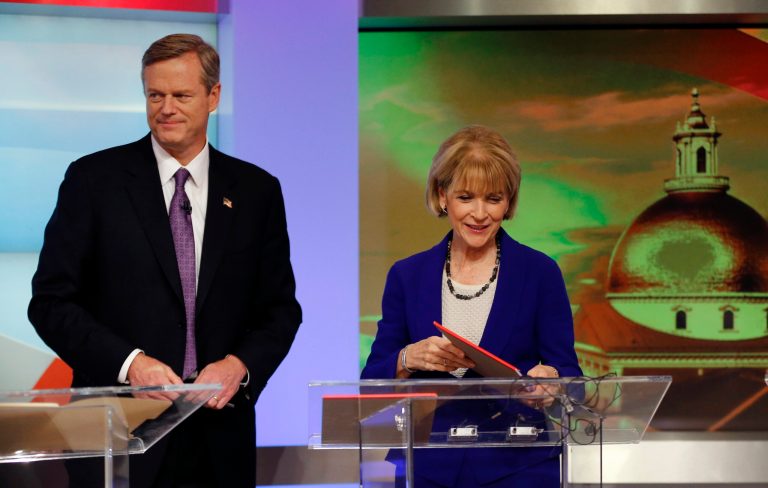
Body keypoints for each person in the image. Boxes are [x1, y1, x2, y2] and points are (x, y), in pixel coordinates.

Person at [28, 34, 302, 487]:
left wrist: (239, 365)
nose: (166, 108)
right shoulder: (94, 180)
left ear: (213, 97)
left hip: (218, 439)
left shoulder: (256, 191)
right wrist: (130, 363)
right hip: (117, 433)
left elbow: (279, 309)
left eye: (181, 95)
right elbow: (51, 303)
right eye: (155, 95)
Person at [361, 125, 582, 487]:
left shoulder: (540, 272)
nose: (480, 214)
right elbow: (370, 384)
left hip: (519, 465)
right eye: (466, 197)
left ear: (508, 202)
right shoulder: (407, 275)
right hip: (429, 467)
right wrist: (407, 359)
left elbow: (575, 382)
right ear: (442, 194)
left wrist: (553, 383)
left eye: (493, 199)